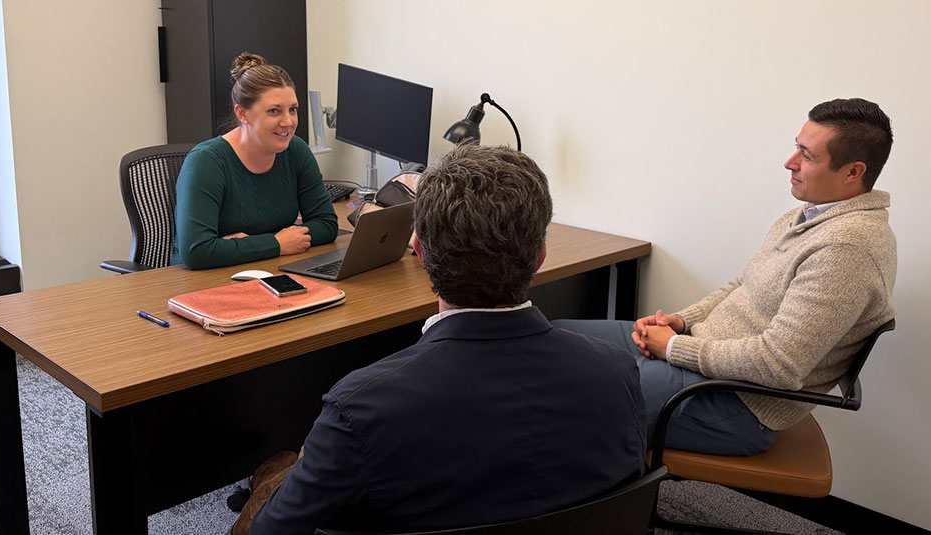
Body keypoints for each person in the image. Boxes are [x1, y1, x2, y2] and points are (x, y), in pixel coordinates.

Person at [233, 144, 647, 535]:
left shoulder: (359, 408)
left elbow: (273, 530)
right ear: (540, 256)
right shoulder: (617, 372)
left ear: (419, 250)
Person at [555, 97, 897, 456]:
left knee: (576, 386)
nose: (789, 162)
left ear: (853, 172)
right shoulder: (810, 216)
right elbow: (744, 285)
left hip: (734, 405)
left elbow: (778, 366)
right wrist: (682, 321)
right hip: (705, 363)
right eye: (797, 147)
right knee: (557, 337)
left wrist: (673, 347)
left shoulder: (847, 249)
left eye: (807, 156)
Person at [174, 52, 338, 270]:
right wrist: (276, 243)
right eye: (274, 111)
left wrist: (249, 245)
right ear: (242, 113)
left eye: (293, 110)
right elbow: (196, 252)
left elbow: (327, 225)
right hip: (202, 283)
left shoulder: (295, 150)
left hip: (265, 270)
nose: (288, 122)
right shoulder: (206, 162)